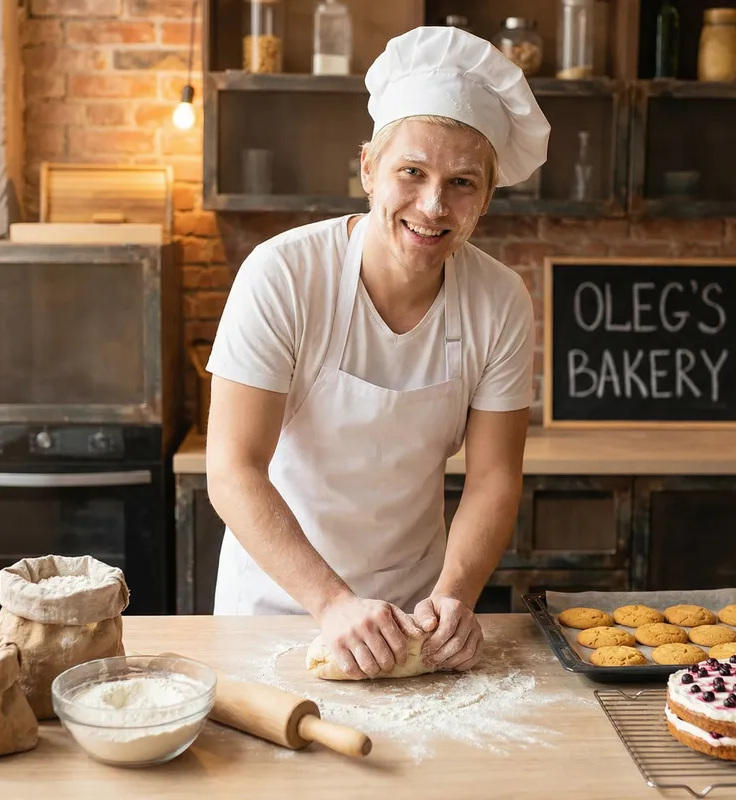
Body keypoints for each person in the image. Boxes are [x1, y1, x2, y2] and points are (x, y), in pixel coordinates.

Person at [205, 25, 550, 680]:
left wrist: (454, 597)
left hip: (414, 617)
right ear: (368, 168)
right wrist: (331, 604)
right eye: (412, 172)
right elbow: (232, 468)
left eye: (463, 183)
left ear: (486, 198)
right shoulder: (283, 275)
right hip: (276, 609)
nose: (433, 205)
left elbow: (494, 478)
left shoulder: (499, 301)